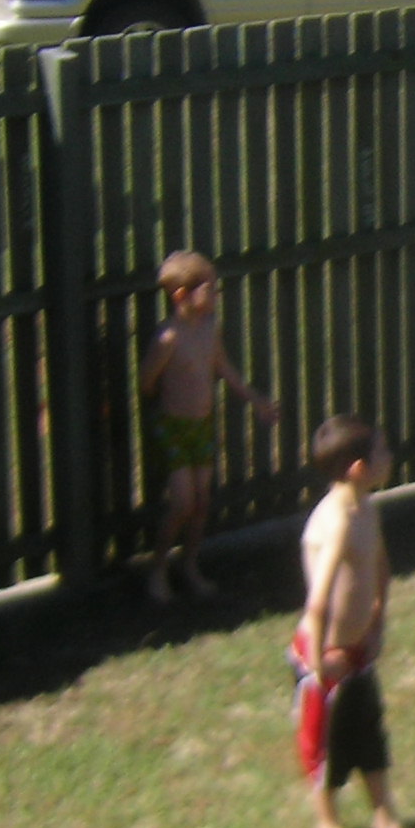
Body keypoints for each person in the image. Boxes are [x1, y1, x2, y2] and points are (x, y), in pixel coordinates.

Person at [292, 414, 406, 828]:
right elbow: (317, 601)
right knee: (325, 748)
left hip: (358, 653)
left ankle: (387, 822)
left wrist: (377, 621)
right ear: (359, 467)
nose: (390, 457)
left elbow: (380, 565)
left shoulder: (367, 506)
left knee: (369, 736)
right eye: (382, 451)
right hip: (326, 659)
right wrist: (319, 664)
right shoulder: (336, 521)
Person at [138, 251, 278, 605]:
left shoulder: (208, 331)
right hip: (174, 428)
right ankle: (157, 569)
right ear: (182, 295)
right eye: (209, 289)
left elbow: (225, 369)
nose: (216, 296)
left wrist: (256, 399)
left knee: (201, 501)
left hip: (202, 426)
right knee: (183, 501)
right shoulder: (168, 339)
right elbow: (146, 382)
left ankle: (190, 566)